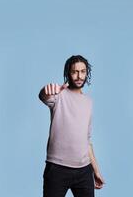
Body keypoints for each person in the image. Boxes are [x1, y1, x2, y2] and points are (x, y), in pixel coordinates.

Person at [38, 55, 105, 197]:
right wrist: (46, 90)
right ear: (68, 73)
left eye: (83, 71)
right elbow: (44, 96)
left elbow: (87, 140)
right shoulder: (59, 95)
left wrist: (96, 171)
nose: (79, 76)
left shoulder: (88, 102)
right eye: (75, 71)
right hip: (57, 169)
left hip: (84, 171)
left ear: (87, 73)